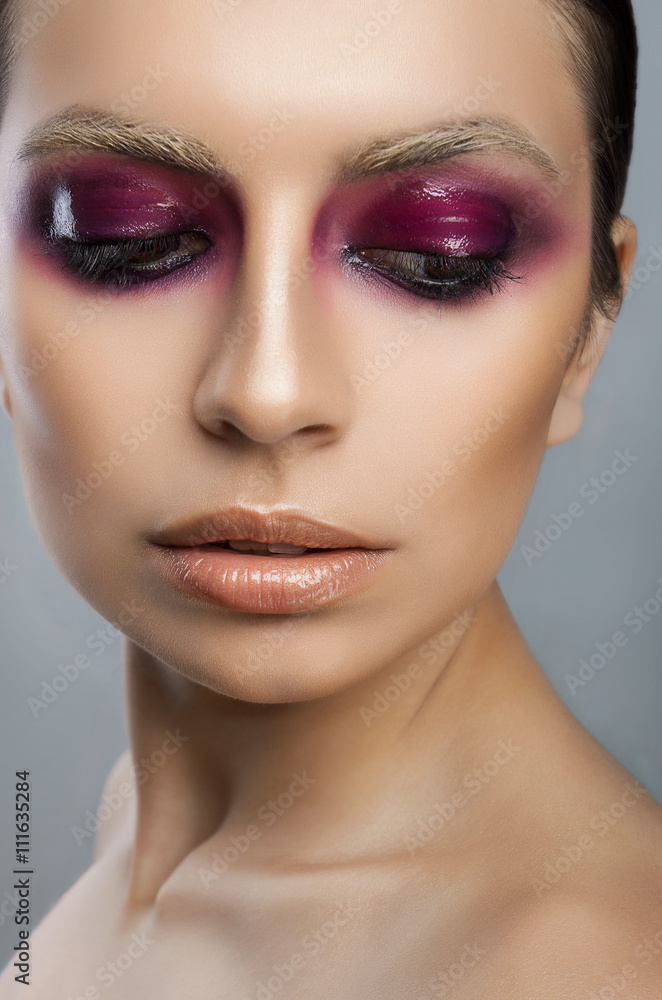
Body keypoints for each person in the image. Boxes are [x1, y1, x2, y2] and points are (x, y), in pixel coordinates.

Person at [0, 0, 660, 996]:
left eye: (436, 257)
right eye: (122, 235)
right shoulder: (141, 819)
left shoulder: (590, 965)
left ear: (586, 336)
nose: (267, 392)